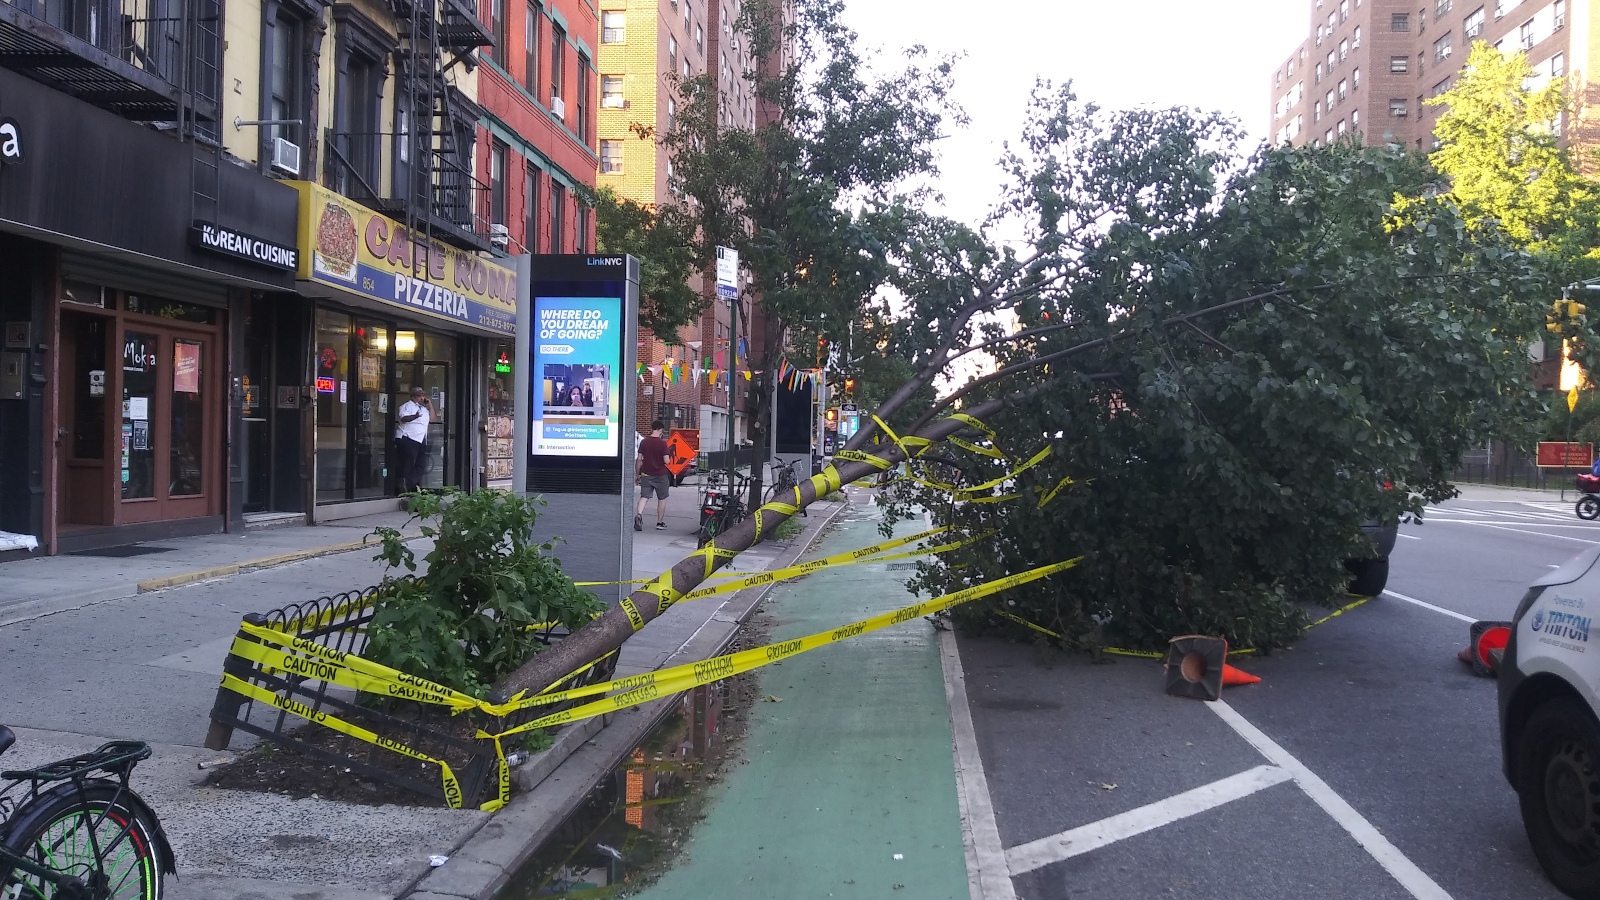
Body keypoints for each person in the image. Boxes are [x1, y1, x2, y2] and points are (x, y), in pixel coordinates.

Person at [636, 420, 672, 531]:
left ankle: (639, 515)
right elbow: (666, 461)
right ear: (660, 430)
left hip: (646, 473)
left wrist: (637, 474)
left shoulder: (644, 442)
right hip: (660, 475)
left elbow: (639, 459)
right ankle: (659, 522)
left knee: (644, 496)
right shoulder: (662, 443)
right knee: (662, 498)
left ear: (652, 429)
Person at [396, 386, 431, 493]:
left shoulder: (424, 409)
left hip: (421, 439)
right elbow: (403, 418)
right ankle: (404, 490)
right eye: (419, 396)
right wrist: (414, 417)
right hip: (408, 437)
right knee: (408, 464)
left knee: (422, 465)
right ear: (413, 397)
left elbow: (433, 419)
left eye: (422, 395)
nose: (422, 398)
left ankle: (407, 483)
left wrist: (430, 405)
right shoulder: (406, 406)